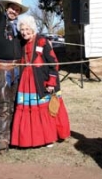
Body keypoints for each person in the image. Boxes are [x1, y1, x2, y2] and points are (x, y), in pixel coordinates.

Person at [11, 15, 70, 148]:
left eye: (27, 29)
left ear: (32, 29)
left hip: (41, 81)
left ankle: (49, 138)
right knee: (29, 109)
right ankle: (27, 139)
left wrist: (51, 83)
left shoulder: (42, 41)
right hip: (26, 82)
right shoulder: (21, 42)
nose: (24, 32)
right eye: (22, 29)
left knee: (45, 110)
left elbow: (54, 64)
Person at [0, 0, 29, 154]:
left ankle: (12, 138)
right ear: (7, 7)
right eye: (12, 7)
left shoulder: (18, 27)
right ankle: (1, 143)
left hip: (17, 71)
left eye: (17, 9)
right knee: (2, 108)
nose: (14, 10)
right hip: (3, 70)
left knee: (14, 105)